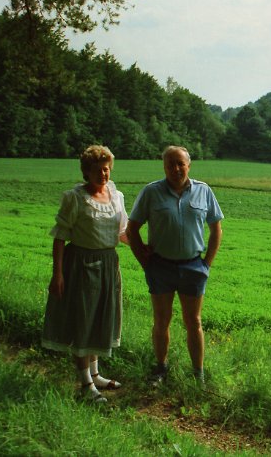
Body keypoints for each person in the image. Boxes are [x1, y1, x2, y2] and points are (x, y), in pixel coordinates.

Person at [126, 145, 223, 385]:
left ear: (189, 165)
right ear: (164, 167)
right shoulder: (151, 192)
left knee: (194, 321)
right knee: (162, 320)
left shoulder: (204, 191)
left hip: (193, 267)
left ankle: (198, 374)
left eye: (180, 163)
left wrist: (206, 265)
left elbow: (216, 229)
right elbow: (132, 229)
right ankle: (160, 369)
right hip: (161, 267)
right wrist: (144, 261)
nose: (176, 168)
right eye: (170, 164)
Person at [42, 145, 129, 403]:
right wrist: (58, 274)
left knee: (100, 317)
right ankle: (85, 383)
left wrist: (147, 250)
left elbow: (123, 233)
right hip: (80, 264)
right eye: (97, 170)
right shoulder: (76, 198)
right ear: (86, 172)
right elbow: (60, 238)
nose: (103, 174)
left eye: (106, 169)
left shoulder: (116, 196)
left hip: (108, 264)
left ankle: (96, 373)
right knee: (83, 318)